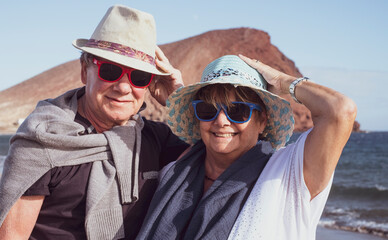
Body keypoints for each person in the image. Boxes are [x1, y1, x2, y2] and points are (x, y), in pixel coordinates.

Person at [0, 5, 188, 240]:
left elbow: (218, 152)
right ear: (84, 70)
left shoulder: (153, 138)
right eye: (110, 71)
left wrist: (178, 99)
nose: (123, 88)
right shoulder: (44, 139)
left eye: (139, 77)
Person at [136, 54, 357, 240]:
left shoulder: (288, 176)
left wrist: (282, 81)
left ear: (262, 121)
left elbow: (339, 111)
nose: (221, 121)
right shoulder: (173, 173)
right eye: (207, 109)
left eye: (237, 111)